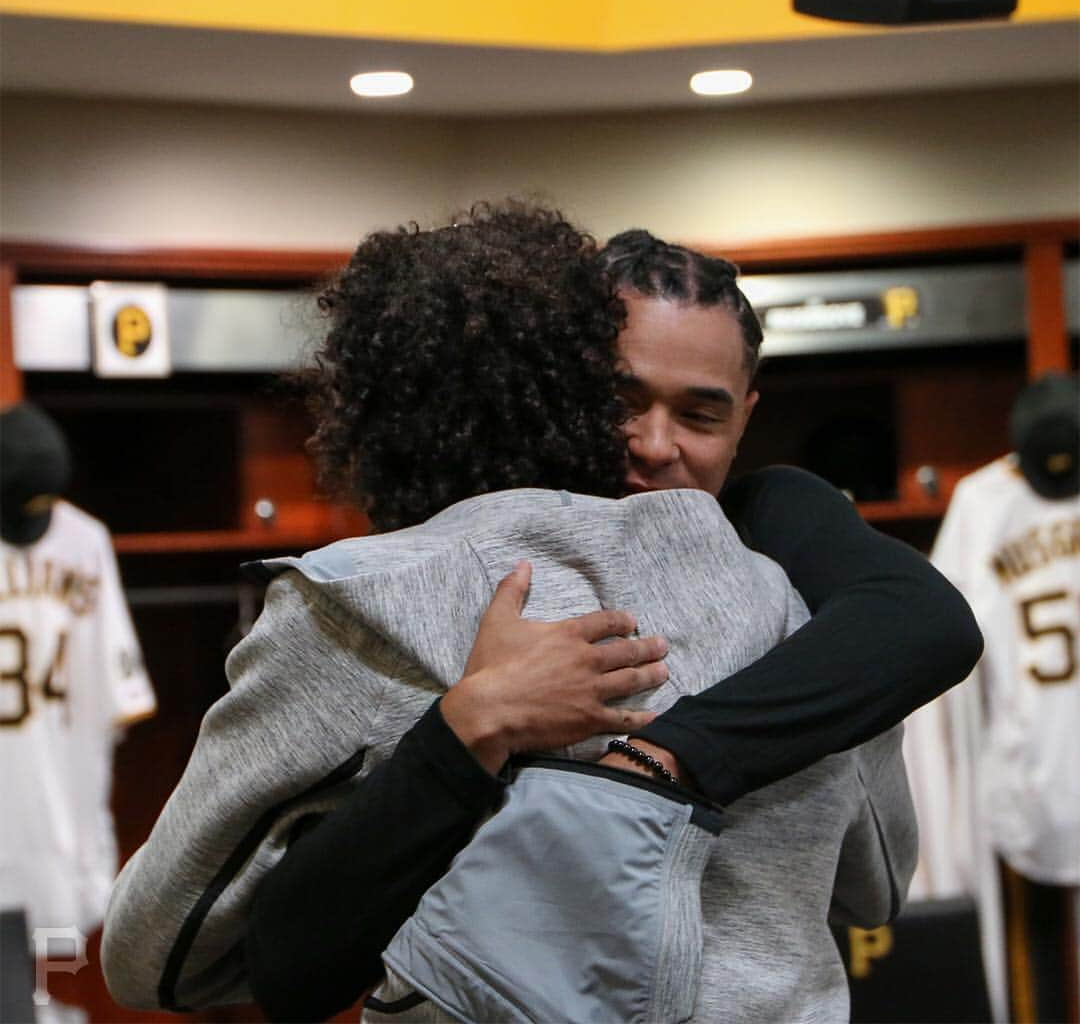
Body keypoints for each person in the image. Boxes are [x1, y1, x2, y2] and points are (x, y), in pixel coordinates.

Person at [101, 208, 978, 1019]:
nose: (654, 443)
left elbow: (157, 960)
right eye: (623, 400)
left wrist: (651, 763)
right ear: (565, 380)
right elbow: (873, 888)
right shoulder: (803, 607)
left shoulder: (370, 600)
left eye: (698, 412)